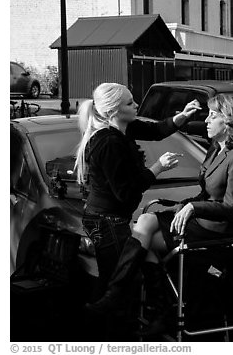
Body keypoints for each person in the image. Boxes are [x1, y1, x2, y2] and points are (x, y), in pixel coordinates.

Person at [87, 93, 233, 335]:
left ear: (230, 122)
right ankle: (157, 306)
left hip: (214, 229)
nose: (206, 121)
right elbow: (203, 193)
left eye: (213, 116)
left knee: (142, 241)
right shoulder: (215, 149)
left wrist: (192, 208)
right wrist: (182, 206)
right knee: (144, 223)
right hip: (200, 220)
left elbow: (232, 208)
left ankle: (136, 300)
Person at [75, 82, 201, 305]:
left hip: (114, 219)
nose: (136, 105)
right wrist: (158, 167)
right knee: (116, 281)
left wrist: (183, 116)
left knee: (140, 261)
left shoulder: (125, 128)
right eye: (129, 102)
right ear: (113, 111)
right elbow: (126, 191)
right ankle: (108, 328)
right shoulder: (109, 142)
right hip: (106, 222)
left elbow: (156, 130)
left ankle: (157, 314)